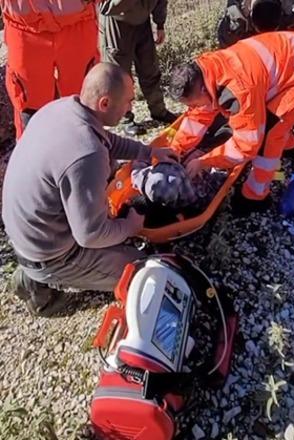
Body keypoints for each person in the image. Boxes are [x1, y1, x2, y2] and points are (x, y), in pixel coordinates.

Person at [1, 63, 177, 317]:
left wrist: (148, 152)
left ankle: (34, 271)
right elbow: (91, 235)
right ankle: (38, 285)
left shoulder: (62, 108)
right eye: (128, 102)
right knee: (143, 270)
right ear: (105, 103)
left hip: (25, 231)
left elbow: (107, 140)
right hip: (52, 253)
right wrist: (131, 226)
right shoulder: (86, 154)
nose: (130, 108)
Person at [167, 31, 294, 214]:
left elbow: (246, 146)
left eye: (195, 103)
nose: (195, 107)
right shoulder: (205, 70)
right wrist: (175, 149)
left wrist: (204, 162)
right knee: (269, 116)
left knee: (270, 130)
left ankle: (256, 196)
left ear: (204, 90)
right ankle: (289, 146)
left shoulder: (238, 92)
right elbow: (198, 114)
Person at [1, 0, 100, 139]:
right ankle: (32, 157)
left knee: (85, 100)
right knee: (29, 106)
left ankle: (90, 155)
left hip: (78, 22)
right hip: (24, 29)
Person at [99, 0, 178, 135]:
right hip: (117, 22)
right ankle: (125, 118)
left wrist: (160, 24)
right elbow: (105, 7)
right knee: (118, 75)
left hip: (142, 21)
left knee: (150, 68)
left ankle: (158, 111)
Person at [217, 0, 294, 48]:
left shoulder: (292, 10)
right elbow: (227, 46)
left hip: (281, 35)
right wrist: (238, 21)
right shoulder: (238, 9)